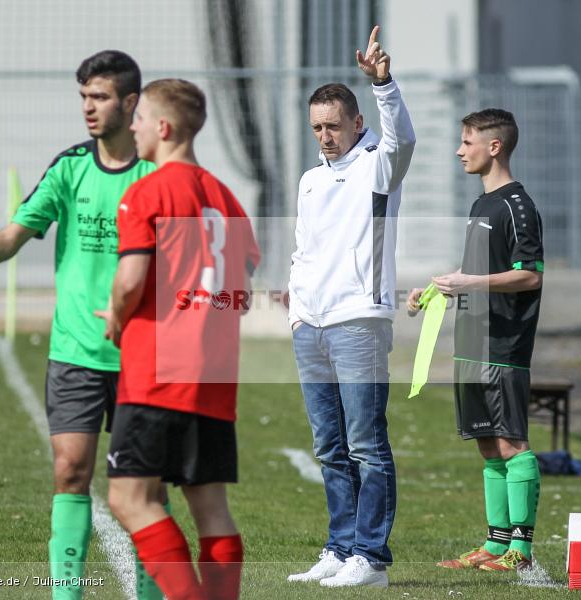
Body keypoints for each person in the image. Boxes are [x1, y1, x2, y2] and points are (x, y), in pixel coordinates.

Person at [0, 51, 164, 600]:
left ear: (131, 102)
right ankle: (64, 595)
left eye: (99, 97)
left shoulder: (158, 174)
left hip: (143, 353)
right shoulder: (70, 167)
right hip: (75, 349)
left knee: (142, 487)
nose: (88, 108)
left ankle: (151, 593)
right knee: (70, 470)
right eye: (83, 97)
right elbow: (12, 235)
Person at [97, 78, 260, 600]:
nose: (134, 126)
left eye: (139, 118)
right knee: (210, 506)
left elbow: (130, 281)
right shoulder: (227, 199)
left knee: (128, 498)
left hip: (157, 372)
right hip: (213, 375)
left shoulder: (146, 191)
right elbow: (244, 289)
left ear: (162, 128)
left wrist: (118, 316)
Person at [285, 25, 415, 589]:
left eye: (333, 125)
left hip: (359, 323)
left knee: (366, 445)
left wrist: (383, 83)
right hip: (310, 326)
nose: (325, 136)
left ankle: (373, 558)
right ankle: (339, 548)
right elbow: (301, 250)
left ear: (356, 123)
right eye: (317, 127)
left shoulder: (378, 167)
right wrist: (296, 311)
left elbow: (402, 140)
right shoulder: (311, 179)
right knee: (329, 447)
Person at [408, 109, 544, 573]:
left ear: (494, 146)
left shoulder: (517, 206)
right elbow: (475, 273)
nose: (458, 151)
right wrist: (433, 292)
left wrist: (469, 282)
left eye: (466, 142)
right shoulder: (480, 205)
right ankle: (495, 543)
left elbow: (529, 275)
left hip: (503, 345)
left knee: (511, 442)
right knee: (487, 444)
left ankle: (520, 551)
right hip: (471, 343)